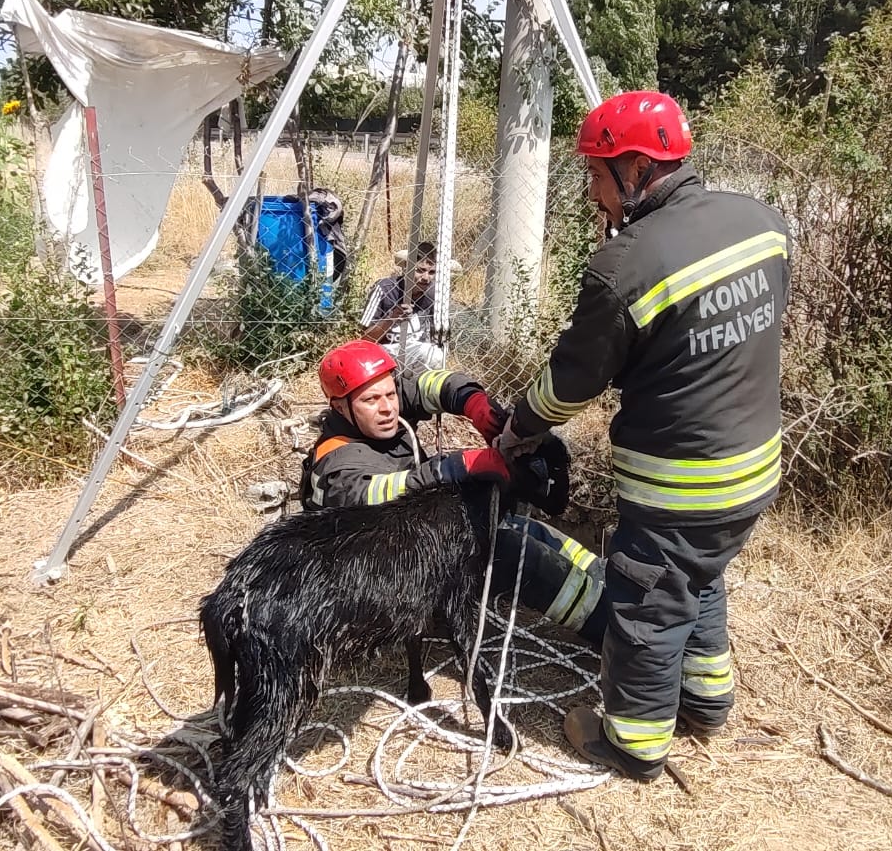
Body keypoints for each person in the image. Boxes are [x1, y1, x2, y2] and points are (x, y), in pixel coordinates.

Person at [496, 91, 791, 781]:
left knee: (649, 604)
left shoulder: (625, 265)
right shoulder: (763, 222)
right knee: (699, 574)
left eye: (595, 173)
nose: (590, 190)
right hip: (754, 469)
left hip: (682, 485)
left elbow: (571, 383)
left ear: (633, 168)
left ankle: (632, 740)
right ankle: (706, 701)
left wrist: (518, 427)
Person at [301, 340, 610, 645]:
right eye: (371, 400)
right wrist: (450, 468)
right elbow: (376, 494)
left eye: (391, 394)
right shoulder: (338, 460)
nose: (387, 408)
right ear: (340, 406)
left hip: (412, 542)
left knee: (529, 531)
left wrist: (473, 403)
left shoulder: (377, 409)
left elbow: (434, 383)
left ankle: (612, 585)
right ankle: (609, 625)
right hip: (380, 580)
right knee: (514, 554)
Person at [360, 245, 452, 373]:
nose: (426, 277)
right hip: (385, 351)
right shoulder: (385, 288)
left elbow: (437, 337)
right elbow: (365, 340)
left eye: (431, 272)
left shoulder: (434, 294)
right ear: (406, 269)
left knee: (436, 356)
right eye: (420, 270)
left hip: (416, 351)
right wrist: (392, 318)